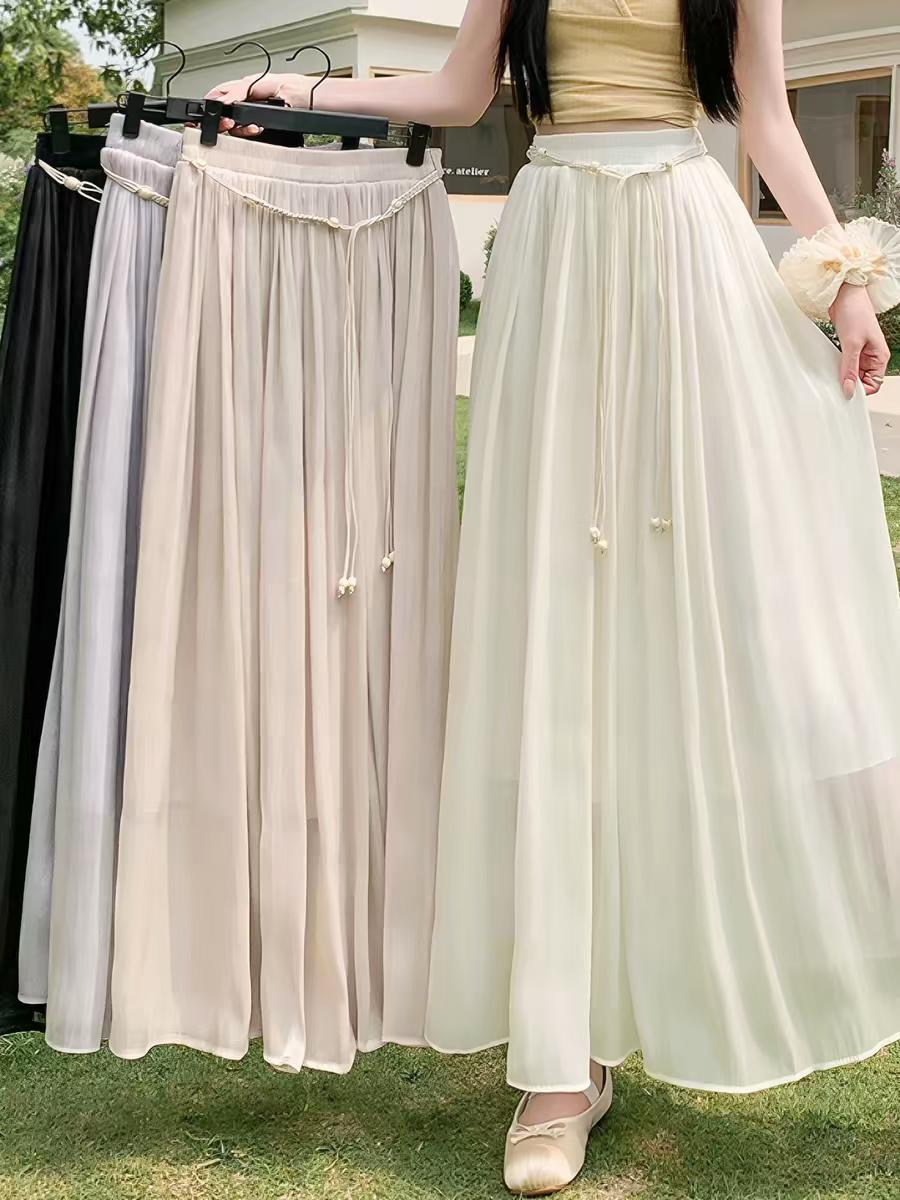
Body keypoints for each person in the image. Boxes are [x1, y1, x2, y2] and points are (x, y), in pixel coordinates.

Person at [209, 2, 900, 1194]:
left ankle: (766, 946)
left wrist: (844, 283)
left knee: (727, 596)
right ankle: (563, 1060)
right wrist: (305, 93)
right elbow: (461, 90)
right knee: (551, 614)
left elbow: (767, 117)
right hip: (558, 247)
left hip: (684, 242)